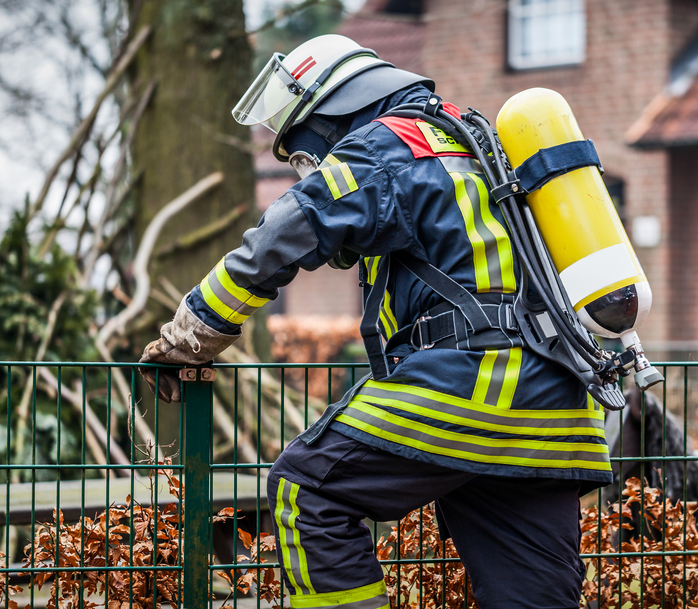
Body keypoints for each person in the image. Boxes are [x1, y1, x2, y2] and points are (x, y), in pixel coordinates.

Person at [139, 34, 612, 609]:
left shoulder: (384, 144)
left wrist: (191, 333)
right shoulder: (476, 137)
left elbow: (286, 233)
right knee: (533, 598)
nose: (306, 167)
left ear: (332, 109)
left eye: (303, 152)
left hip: (474, 384)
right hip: (559, 406)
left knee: (306, 488)